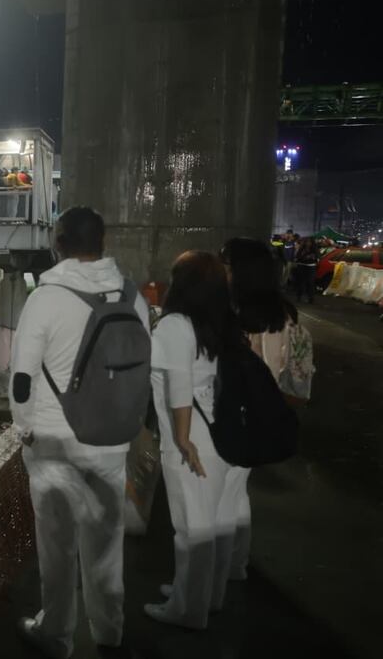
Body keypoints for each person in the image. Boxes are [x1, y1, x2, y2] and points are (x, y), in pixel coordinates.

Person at [11, 207, 150, 657]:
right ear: (103, 240)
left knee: (57, 548)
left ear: (58, 241)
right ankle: (110, 632)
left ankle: (57, 633)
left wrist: (24, 428)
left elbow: (21, 378)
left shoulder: (45, 299)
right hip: (112, 441)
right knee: (106, 546)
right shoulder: (134, 298)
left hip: (55, 443)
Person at [146, 251, 244, 630]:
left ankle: (187, 612)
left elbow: (180, 388)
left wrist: (183, 441)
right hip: (216, 430)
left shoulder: (174, 326)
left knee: (191, 528)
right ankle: (203, 596)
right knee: (210, 523)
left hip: (190, 438)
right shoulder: (216, 322)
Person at [219, 238, 314, 583]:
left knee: (217, 497)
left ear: (241, 273)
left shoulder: (231, 317)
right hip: (261, 416)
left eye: (227, 266)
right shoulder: (289, 318)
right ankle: (235, 565)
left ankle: (212, 575)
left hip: (226, 416)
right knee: (236, 491)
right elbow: (301, 383)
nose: (223, 272)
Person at [294, 237, 318, 304]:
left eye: (309, 242)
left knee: (310, 283)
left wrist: (312, 257)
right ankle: (299, 296)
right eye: (306, 242)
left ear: (312, 243)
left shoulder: (314, 249)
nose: (308, 243)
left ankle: (311, 298)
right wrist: (303, 257)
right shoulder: (301, 249)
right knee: (301, 282)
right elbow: (297, 257)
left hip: (311, 267)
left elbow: (316, 257)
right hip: (302, 266)